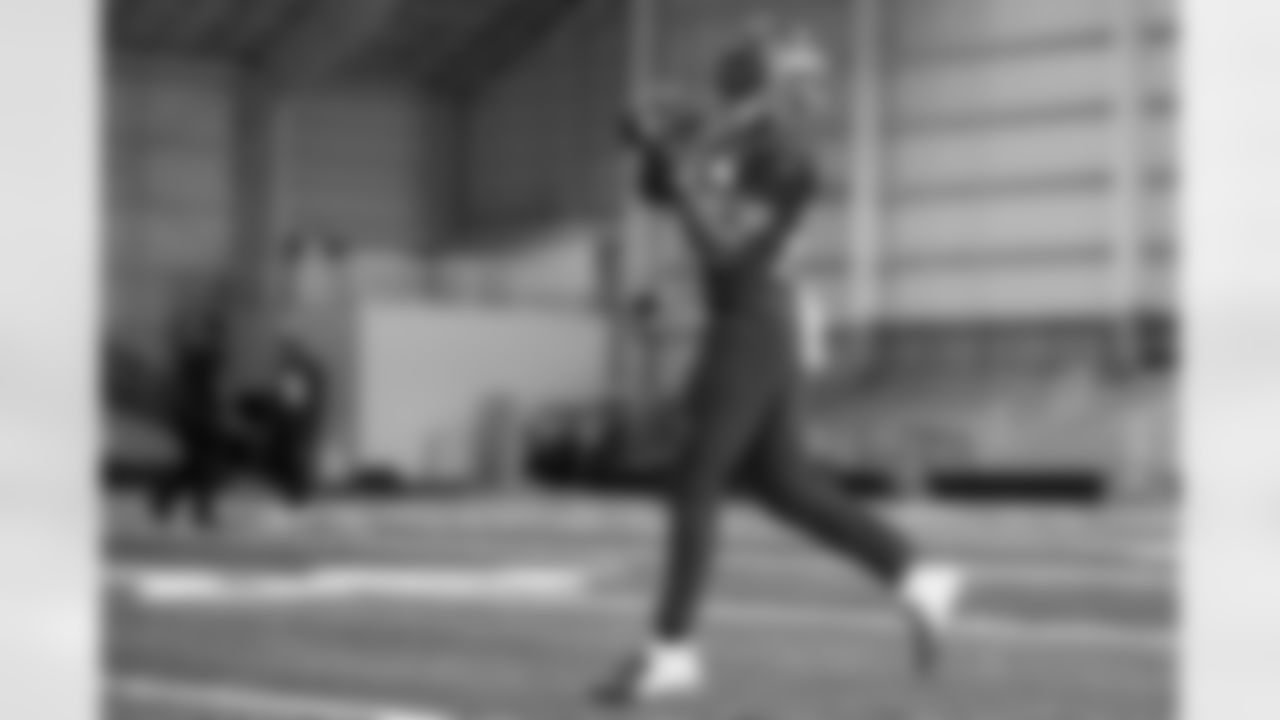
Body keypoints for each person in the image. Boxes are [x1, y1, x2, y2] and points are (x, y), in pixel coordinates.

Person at [601, 25, 968, 704]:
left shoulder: (787, 159)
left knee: (696, 478)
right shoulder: (738, 139)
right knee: (782, 481)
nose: (807, 93)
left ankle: (672, 650)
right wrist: (652, 150)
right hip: (755, 319)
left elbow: (729, 253)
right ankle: (916, 575)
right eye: (794, 81)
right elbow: (661, 192)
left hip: (753, 320)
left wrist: (677, 171)